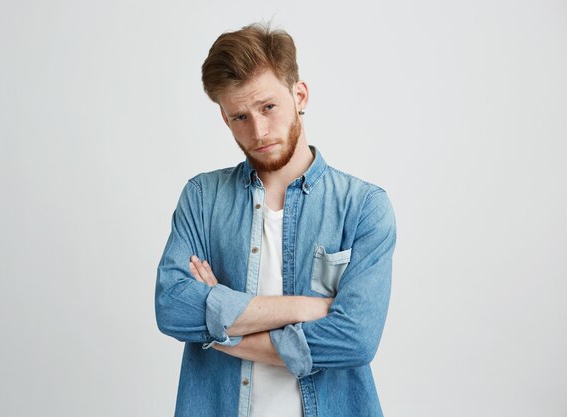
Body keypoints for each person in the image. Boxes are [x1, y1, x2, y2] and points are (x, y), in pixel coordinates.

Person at [155, 23, 396, 417]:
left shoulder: (363, 206)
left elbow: (355, 338)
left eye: (268, 107)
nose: (259, 131)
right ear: (224, 118)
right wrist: (306, 308)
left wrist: (219, 331)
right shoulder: (201, 198)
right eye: (240, 117)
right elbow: (172, 307)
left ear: (299, 95)